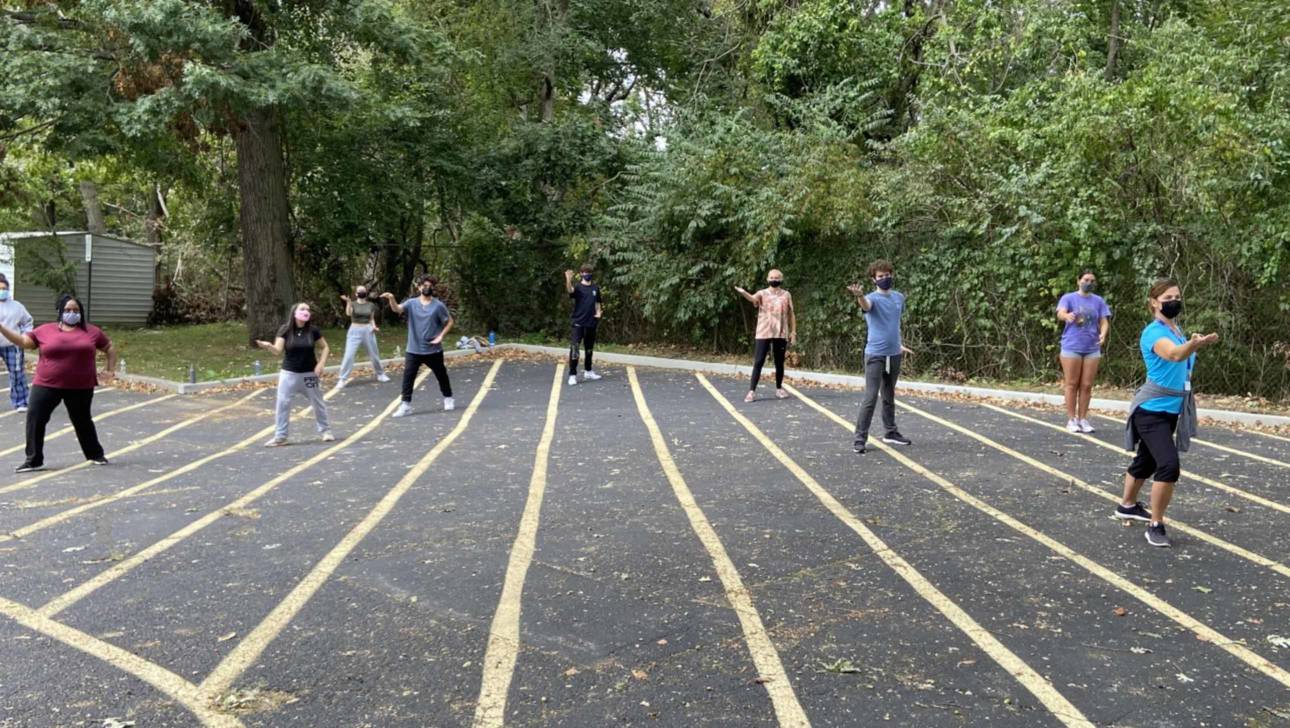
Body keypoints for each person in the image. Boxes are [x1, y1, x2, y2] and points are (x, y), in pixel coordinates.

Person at [1115, 279, 1218, 548]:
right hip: (1150, 410)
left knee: (1146, 461)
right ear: (1154, 302)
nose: (1174, 301)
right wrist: (1194, 345)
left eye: (1177, 296)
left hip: (1172, 409)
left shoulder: (1177, 329)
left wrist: (1193, 343)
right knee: (1168, 465)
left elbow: (1181, 362)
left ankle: (1127, 505)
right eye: (1168, 297)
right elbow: (1173, 356)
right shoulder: (1153, 333)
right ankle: (1156, 524)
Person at [0, 294, 116, 472]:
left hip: (81, 386)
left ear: (81, 312)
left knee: (83, 421)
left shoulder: (91, 331)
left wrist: (110, 370)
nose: (72, 313)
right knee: (35, 419)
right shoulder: (45, 330)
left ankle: (95, 455)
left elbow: (109, 348)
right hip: (46, 384)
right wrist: (2, 327)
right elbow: (23, 342)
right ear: (61, 312)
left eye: (76, 310)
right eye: (68, 310)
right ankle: (34, 460)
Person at [846, 260, 914, 454]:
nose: (885, 279)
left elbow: (893, 324)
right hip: (875, 354)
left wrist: (899, 345)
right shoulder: (870, 298)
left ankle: (890, 432)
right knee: (870, 396)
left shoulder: (899, 298)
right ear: (873, 279)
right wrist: (859, 296)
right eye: (880, 276)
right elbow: (866, 306)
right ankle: (860, 439)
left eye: (887, 275)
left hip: (893, 354)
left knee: (889, 394)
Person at [255, 303, 333, 446]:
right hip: (289, 374)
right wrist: (268, 346)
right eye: (302, 309)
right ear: (294, 312)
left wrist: (321, 363)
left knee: (317, 402)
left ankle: (325, 431)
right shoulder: (285, 330)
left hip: (310, 373)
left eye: (308, 309)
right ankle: (280, 436)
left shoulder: (313, 330)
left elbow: (325, 347)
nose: (306, 311)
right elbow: (277, 351)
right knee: (282, 404)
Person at [381, 275, 454, 416]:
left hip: (433, 350)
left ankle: (448, 397)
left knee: (441, 374)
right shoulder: (411, 303)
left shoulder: (438, 306)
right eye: (424, 285)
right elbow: (397, 309)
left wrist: (441, 336)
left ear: (433, 288)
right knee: (408, 377)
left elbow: (450, 321)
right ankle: (405, 405)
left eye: (430, 285)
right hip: (413, 349)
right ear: (419, 287)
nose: (427, 288)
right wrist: (391, 298)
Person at [1057, 270, 1112, 433]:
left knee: (1087, 385)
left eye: (1092, 280)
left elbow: (1104, 321)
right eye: (1086, 279)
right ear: (1078, 280)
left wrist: (1103, 334)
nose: (1089, 283)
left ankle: (1083, 419)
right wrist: (1066, 316)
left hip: (1092, 347)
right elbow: (1060, 312)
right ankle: (1071, 419)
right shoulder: (1069, 298)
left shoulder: (1098, 301)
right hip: (1072, 346)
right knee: (1072, 383)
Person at [734, 269, 796, 402]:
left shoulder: (786, 295)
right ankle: (751, 391)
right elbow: (752, 299)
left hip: (780, 333)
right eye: (772, 277)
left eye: (777, 277)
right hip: (763, 332)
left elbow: (791, 314)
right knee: (759, 361)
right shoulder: (762, 293)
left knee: (779, 362)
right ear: (768, 279)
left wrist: (793, 332)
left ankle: (779, 388)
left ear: (781, 279)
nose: (774, 280)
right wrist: (744, 292)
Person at [334, 284, 390, 390]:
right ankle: (342, 379)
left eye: (363, 290)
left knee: (374, 354)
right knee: (349, 355)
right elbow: (348, 313)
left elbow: (371, 319)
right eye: (359, 291)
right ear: (356, 294)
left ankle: (380, 374)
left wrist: (374, 327)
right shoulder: (353, 304)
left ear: (366, 293)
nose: (361, 292)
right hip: (354, 330)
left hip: (368, 330)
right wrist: (348, 302)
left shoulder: (370, 305)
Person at [564, 264, 602, 386]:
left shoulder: (595, 288)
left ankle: (588, 370)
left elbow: (597, 303)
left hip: (591, 323)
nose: (587, 274)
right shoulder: (578, 287)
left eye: (589, 272)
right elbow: (570, 290)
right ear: (581, 274)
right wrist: (568, 279)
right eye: (584, 272)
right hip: (578, 323)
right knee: (575, 349)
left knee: (589, 349)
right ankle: (572, 374)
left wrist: (598, 312)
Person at [0, 275, 33, 412]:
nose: (2, 291)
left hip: (12, 345)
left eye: (4, 288)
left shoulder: (17, 306)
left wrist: (24, 336)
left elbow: (28, 321)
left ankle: (21, 402)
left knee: (17, 373)